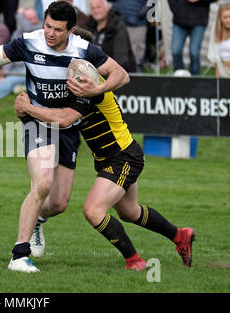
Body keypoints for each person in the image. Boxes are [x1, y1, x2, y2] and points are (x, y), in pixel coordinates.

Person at [0, 1, 130, 272]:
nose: (50, 33)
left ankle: (38, 219)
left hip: (68, 129)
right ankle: (19, 255)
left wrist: (96, 90)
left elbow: (121, 75)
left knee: (60, 203)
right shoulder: (28, 42)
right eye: (47, 26)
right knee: (42, 183)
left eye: (58, 29)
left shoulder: (85, 50)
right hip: (37, 121)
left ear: (71, 30)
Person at [13, 74, 196, 272]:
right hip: (110, 159)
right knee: (130, 212)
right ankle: (180, 236)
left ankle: (134, 260)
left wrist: (28, 108)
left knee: (93, 211)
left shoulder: (90, 86)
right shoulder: (82, 82)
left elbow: (65, 119)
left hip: (123, 157)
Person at [167, 0, 221, 76]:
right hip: (179, 21)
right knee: (176, 50)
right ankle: (178, 76)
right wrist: (176, 10)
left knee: (194, 52)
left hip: (199, 21)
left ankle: (195, 79)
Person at [0, 7, 42, 100]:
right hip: (15, 70)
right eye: (30, 19)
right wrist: (5, 73)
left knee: (8, 82)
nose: (34, 21)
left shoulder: (41, 29)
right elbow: (10, 54)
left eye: (35, 17)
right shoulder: (17, 33)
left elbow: (28, 27)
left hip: (31, 69)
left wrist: (19, 15)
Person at [104, 0, 157, 71]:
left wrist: (141, 12)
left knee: (136, 57)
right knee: (116, 54)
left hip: (137, 23)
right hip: (117, 22)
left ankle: (137, 79)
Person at [86, 0, 137, 73]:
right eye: (93, 8)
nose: (96, 11)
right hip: (95, 72)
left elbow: (121, 57)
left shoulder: (118, 25)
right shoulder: (89, 25)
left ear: (108, 8)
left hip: (119, 72)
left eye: (99, 7)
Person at [209, 3, 230, 77]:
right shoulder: (216, 30)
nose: (228, 20)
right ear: (220, 18)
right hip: (221, 68)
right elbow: (214, 54)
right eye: (225, 17)